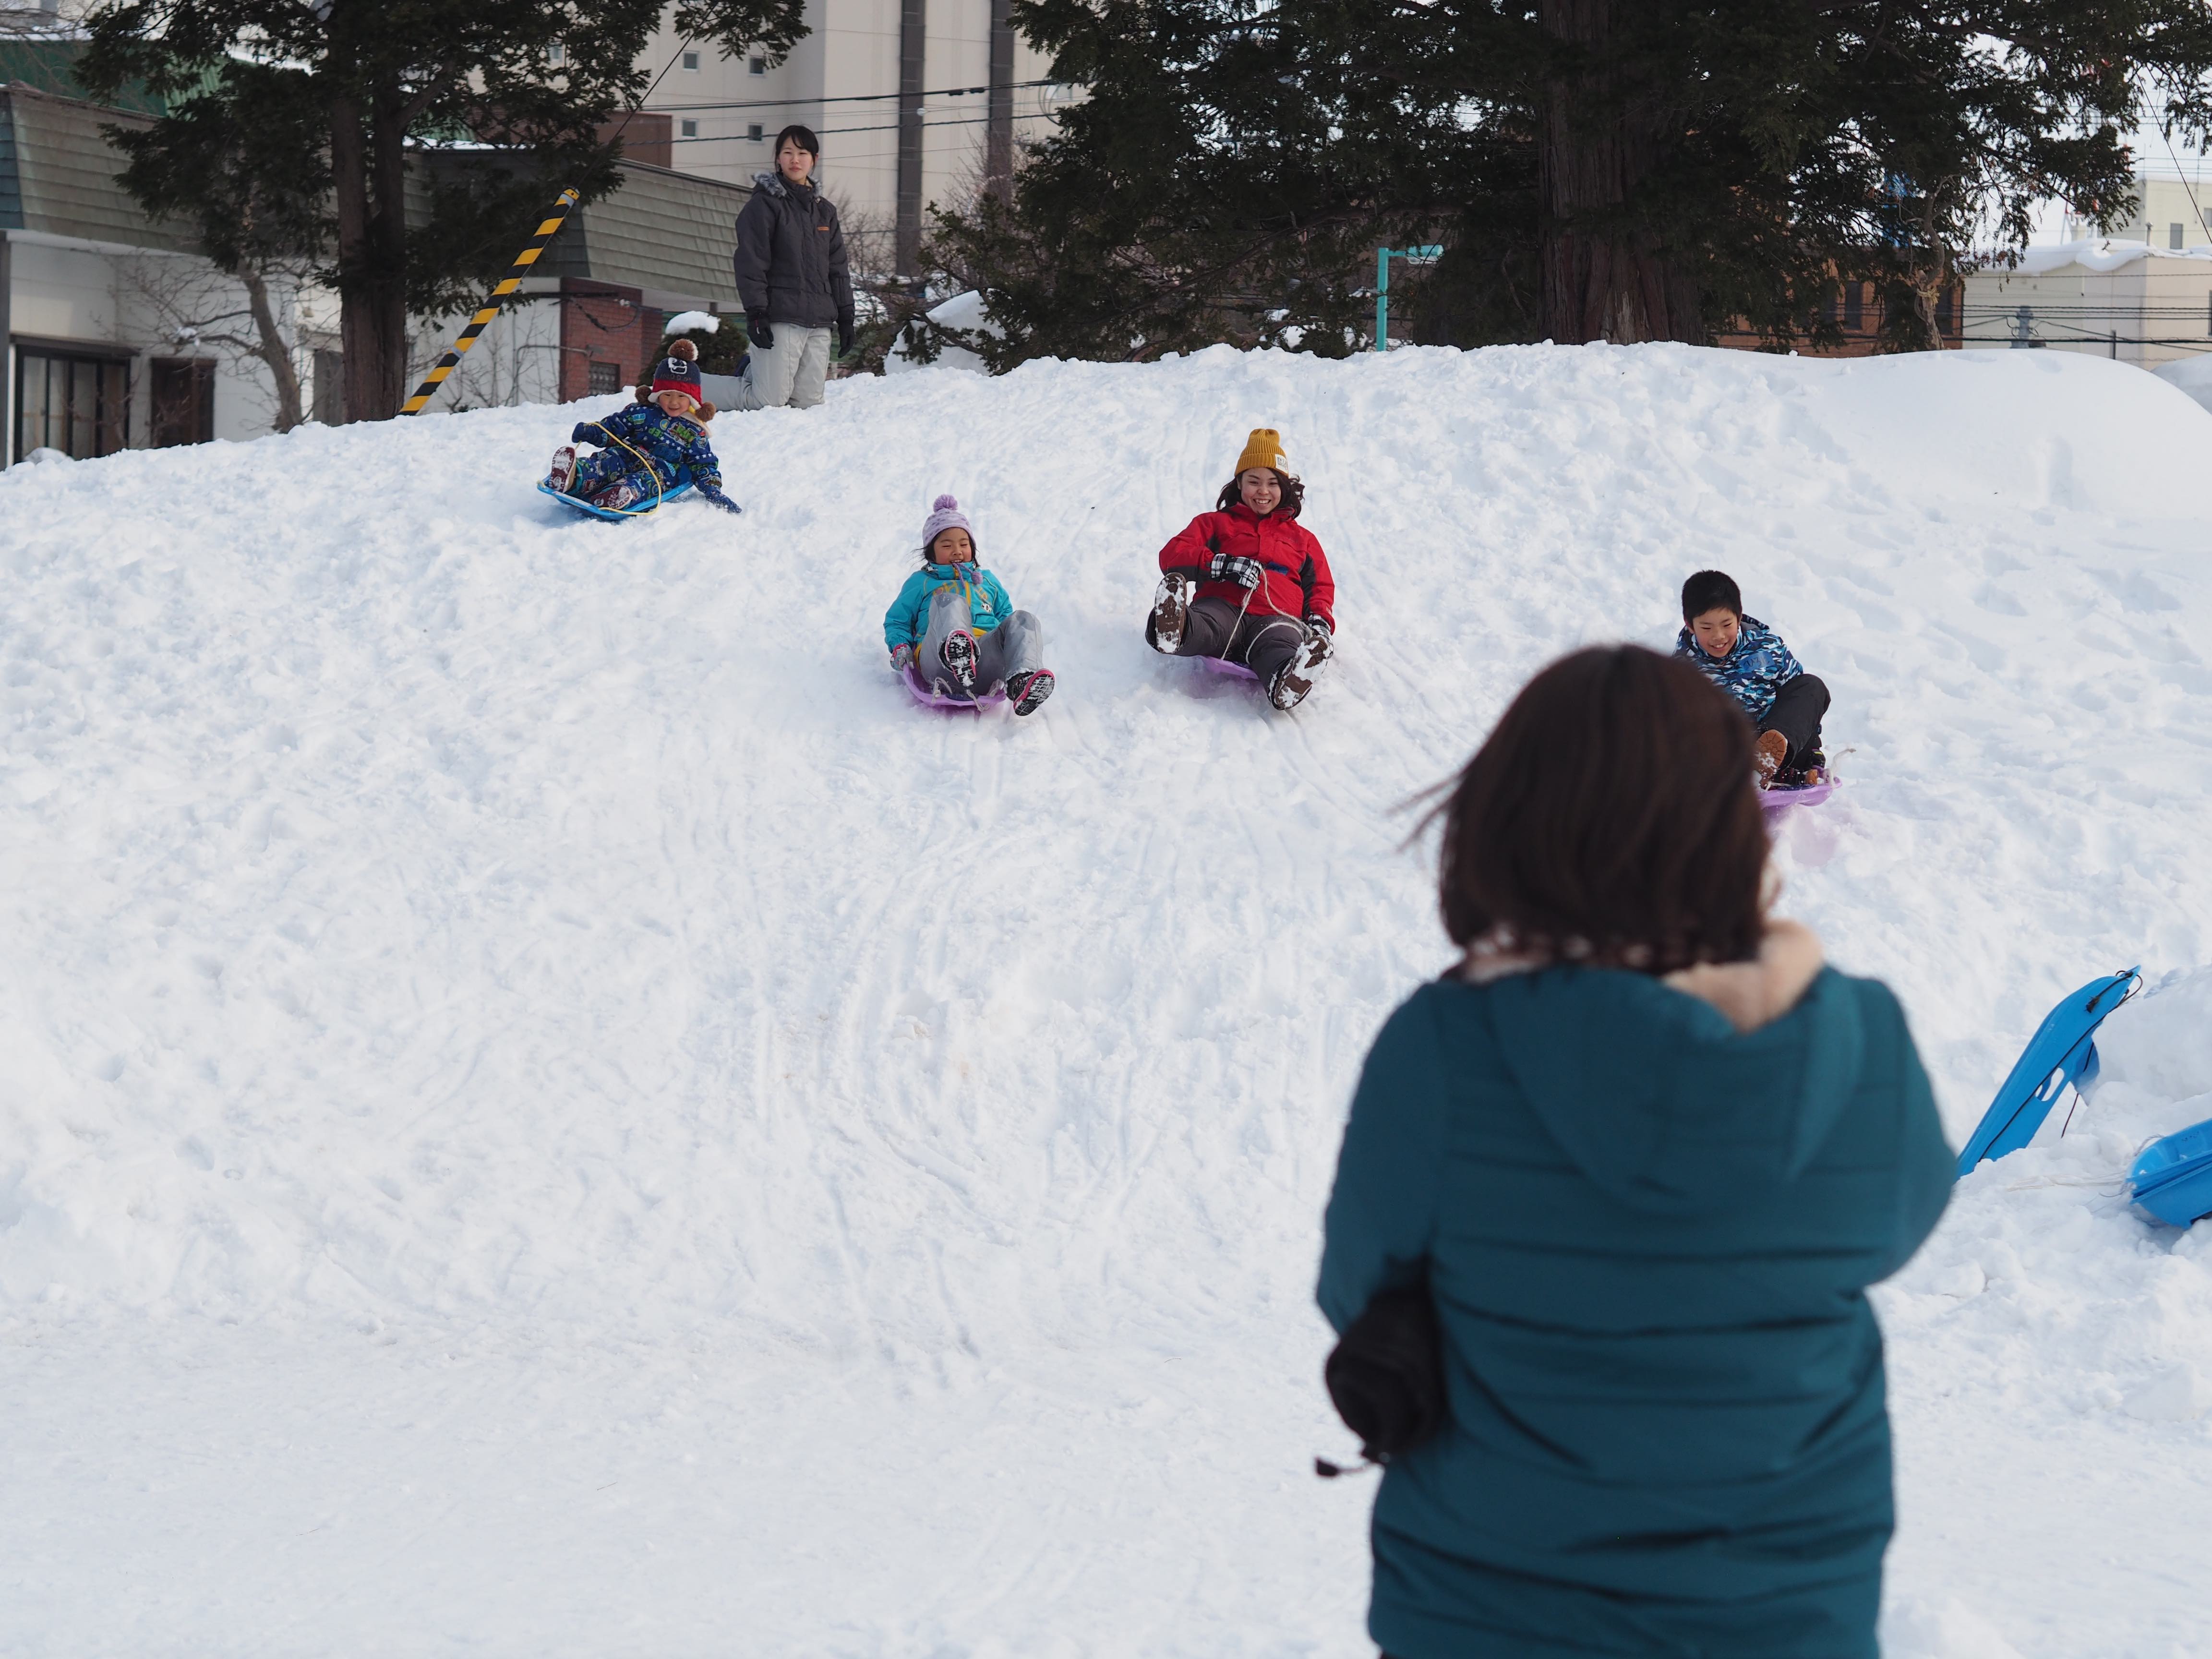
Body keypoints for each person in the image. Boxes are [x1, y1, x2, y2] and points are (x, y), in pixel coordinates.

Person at [1318, 645, 1951, 1659]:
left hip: (1493, 1608)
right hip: (1779, 1617)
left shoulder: (1444, 1048)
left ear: (1507, 821)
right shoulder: (1856, 1039)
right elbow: (1899, 1223)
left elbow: (1360, 1289)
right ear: (1726, 829)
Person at [1146, 428, 1335, 710]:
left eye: (1273, 483)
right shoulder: (1215, 523)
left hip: (1277, 616)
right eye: (1254, 481)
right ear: (1239, 483)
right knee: (1209, 625)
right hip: (1224, 605)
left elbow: (1320, 586)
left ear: (1284, 488)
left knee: (1278, 645)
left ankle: (1288, 680)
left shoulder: (1304, 539)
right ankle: (1174, 629)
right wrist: (1221, 565)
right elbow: (1172, 554)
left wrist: (1320, 621)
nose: (1263, 491)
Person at [882, 495, 1055, 716]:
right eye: (947, 545)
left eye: (964, 544)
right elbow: (898, 620)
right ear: (931, 553)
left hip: (985, 664)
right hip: (936, 663)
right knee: (950, 600)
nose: (957, 551)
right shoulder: (921, 583)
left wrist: (1009, 647)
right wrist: (900, 646)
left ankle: (1021, 679)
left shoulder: (989, 581)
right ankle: (956, 650)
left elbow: (1006, 621)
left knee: (1023, 619)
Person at [731, 123, 855, 411]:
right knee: (768, 401)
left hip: (819, 319)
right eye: (787, 153)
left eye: (802, 153)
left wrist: (847, 317)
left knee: (809, 404)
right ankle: (693, 387)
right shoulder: (764, 206)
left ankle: (757, 372)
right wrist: (757, 312)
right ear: (778, 158)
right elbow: (751, 261)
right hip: (781, 315)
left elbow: (838, 268)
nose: (795, 160)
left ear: (814, 159)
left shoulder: (825, 211)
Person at [545, 340, 740, 514]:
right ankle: (573, 476)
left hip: (662, 471)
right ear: (657, 394)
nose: (673, 402)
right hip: (629, 455)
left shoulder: (694, 431)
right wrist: (592, 432)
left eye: (681, 396)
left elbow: (703, 463)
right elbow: (614, 427)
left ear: (692, 400)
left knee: (645, 482)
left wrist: (713, 490)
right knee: (609, 461)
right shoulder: (643, 412)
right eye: (667, 395)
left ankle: (621, 495)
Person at [1674, 569, 1828, 786]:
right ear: (1690, 625)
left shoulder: (1767, 648)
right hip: (1722, 755)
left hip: (1776, 746)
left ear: (1739, 617)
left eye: (1727, 625)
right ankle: (1742, 777)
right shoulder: (1682, 668)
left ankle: (1769, 767)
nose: (1718, 636)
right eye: (1707, 628)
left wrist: (1813, 746)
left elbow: (1800, 705)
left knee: (1811, 686)